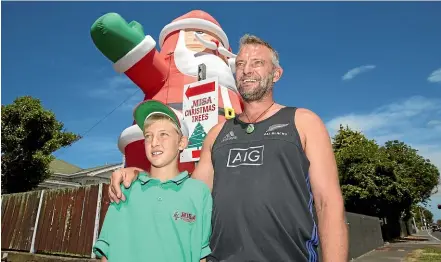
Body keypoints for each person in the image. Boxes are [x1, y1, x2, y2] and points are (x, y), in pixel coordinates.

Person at [108, 34, 349, 262]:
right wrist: (141, 178)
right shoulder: (217, 133)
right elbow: (190, 195)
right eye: (241, 63)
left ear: (276, 74)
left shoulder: (303, 121)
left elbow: (327, 203)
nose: (246, 70)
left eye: (257, 63)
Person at [93, 100, 213, 262]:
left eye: (164, 134)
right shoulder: (125, 189)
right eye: (148, 136)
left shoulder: (199, 192)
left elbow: (202, 255)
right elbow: (106, 253)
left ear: (182, 143)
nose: (154, 142)